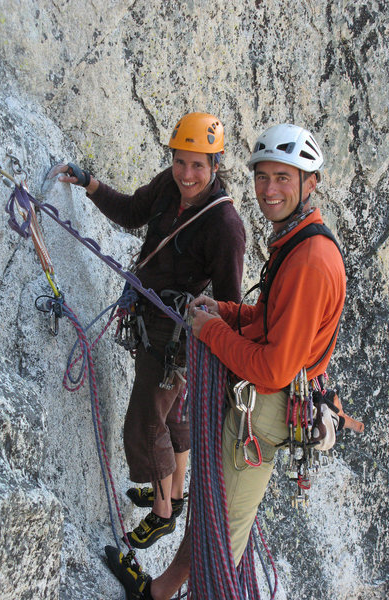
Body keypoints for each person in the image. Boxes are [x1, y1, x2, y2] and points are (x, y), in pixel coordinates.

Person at [103, 123, 347, 599]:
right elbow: (271, 317)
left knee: (221, 540)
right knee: (213, 518)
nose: (269, 190)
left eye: (283, 178)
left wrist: (212, 330)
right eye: (263, 177)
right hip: (265, 406)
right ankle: (159, 591)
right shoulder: (299, 241)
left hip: (267, 410)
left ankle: (162, 592)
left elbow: (275, 367)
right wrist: (227, 312)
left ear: (310, 183)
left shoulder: (311, 260)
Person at [55, 112, 246, 549]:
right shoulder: (169, 185)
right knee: (171, 418)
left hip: (177, 334)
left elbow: (230, 302)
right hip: (151, 321)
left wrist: (221, 356)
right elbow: (132, 211)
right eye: (181, 162)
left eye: (199, 165)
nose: (187, 174)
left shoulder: (225, 226)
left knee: (144, 423)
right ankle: (173, 495)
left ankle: (161, 514)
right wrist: (90, 184)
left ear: (216, 166)